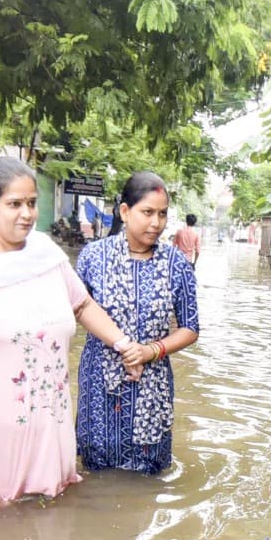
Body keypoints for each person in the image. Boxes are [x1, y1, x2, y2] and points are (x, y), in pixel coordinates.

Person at [0, 157, 140, 506]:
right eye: (14, 204)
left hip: (51, 417)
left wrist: (124, 344)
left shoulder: (45, 252)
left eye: (32, 203)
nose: (26, 214)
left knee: (54, 512)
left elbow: (81, 305)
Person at [74, 171, 200, 476]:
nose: (156, 223)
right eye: (147, 212)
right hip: (99, 382)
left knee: (149, 475)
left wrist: (151, 351)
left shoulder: (176, 264)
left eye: (162, 214)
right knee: (96, 471)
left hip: (152, 381)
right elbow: (78, 310)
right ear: (125, 211)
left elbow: (190, 328)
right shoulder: (93, 257)